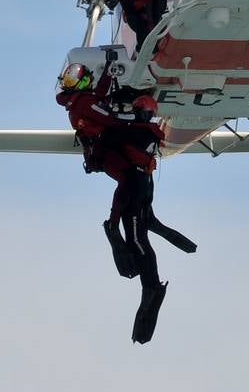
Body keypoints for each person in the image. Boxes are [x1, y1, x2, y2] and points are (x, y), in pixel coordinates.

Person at [56, 61, 197, 344]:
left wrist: (113, 221)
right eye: (69, 78)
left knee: (136, 238)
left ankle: (152, 286)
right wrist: (109, 74)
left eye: (75, 79)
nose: (70, 83)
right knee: (141, 231)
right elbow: (107, 111)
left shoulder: (91, 109)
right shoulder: (142, 129)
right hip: (141, 182)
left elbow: (109, 119)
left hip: (134, 183)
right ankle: (152, 279)